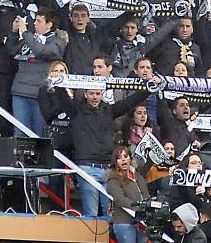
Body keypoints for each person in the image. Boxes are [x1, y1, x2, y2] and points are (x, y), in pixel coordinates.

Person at [58, 77, 158, 217]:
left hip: (107, 170)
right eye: (91, 93)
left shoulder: (109, 111)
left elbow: (129, 103)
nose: (94, 97)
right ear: (85, 94)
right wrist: (57, 82)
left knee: (110, 213)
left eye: (98, 93)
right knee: (91, 213)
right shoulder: (76, 110)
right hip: (87, 168)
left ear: (102, 94)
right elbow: (63, 99)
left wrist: (148, 89)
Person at [7, 9, 66, 136]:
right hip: (20, 92)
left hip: (40, 95)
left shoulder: (57, 42)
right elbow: (11, 51)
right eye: (35, 20)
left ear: (49, 24)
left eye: (39, 21)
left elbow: (41, 51)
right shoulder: (29, 38)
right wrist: (14, 32)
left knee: (38, 135)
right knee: (20, 135)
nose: (34, 23)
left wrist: (25, 32)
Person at [105, 146, 148, 243]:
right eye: (119, 157)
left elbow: (145, 194)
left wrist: (146, 208)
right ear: (115, 161)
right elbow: (119, 198)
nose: (123, 159)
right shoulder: (112, 178)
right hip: (124, 222)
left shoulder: (137, 175)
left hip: (142, 223)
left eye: (125, 156)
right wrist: (138, 207)